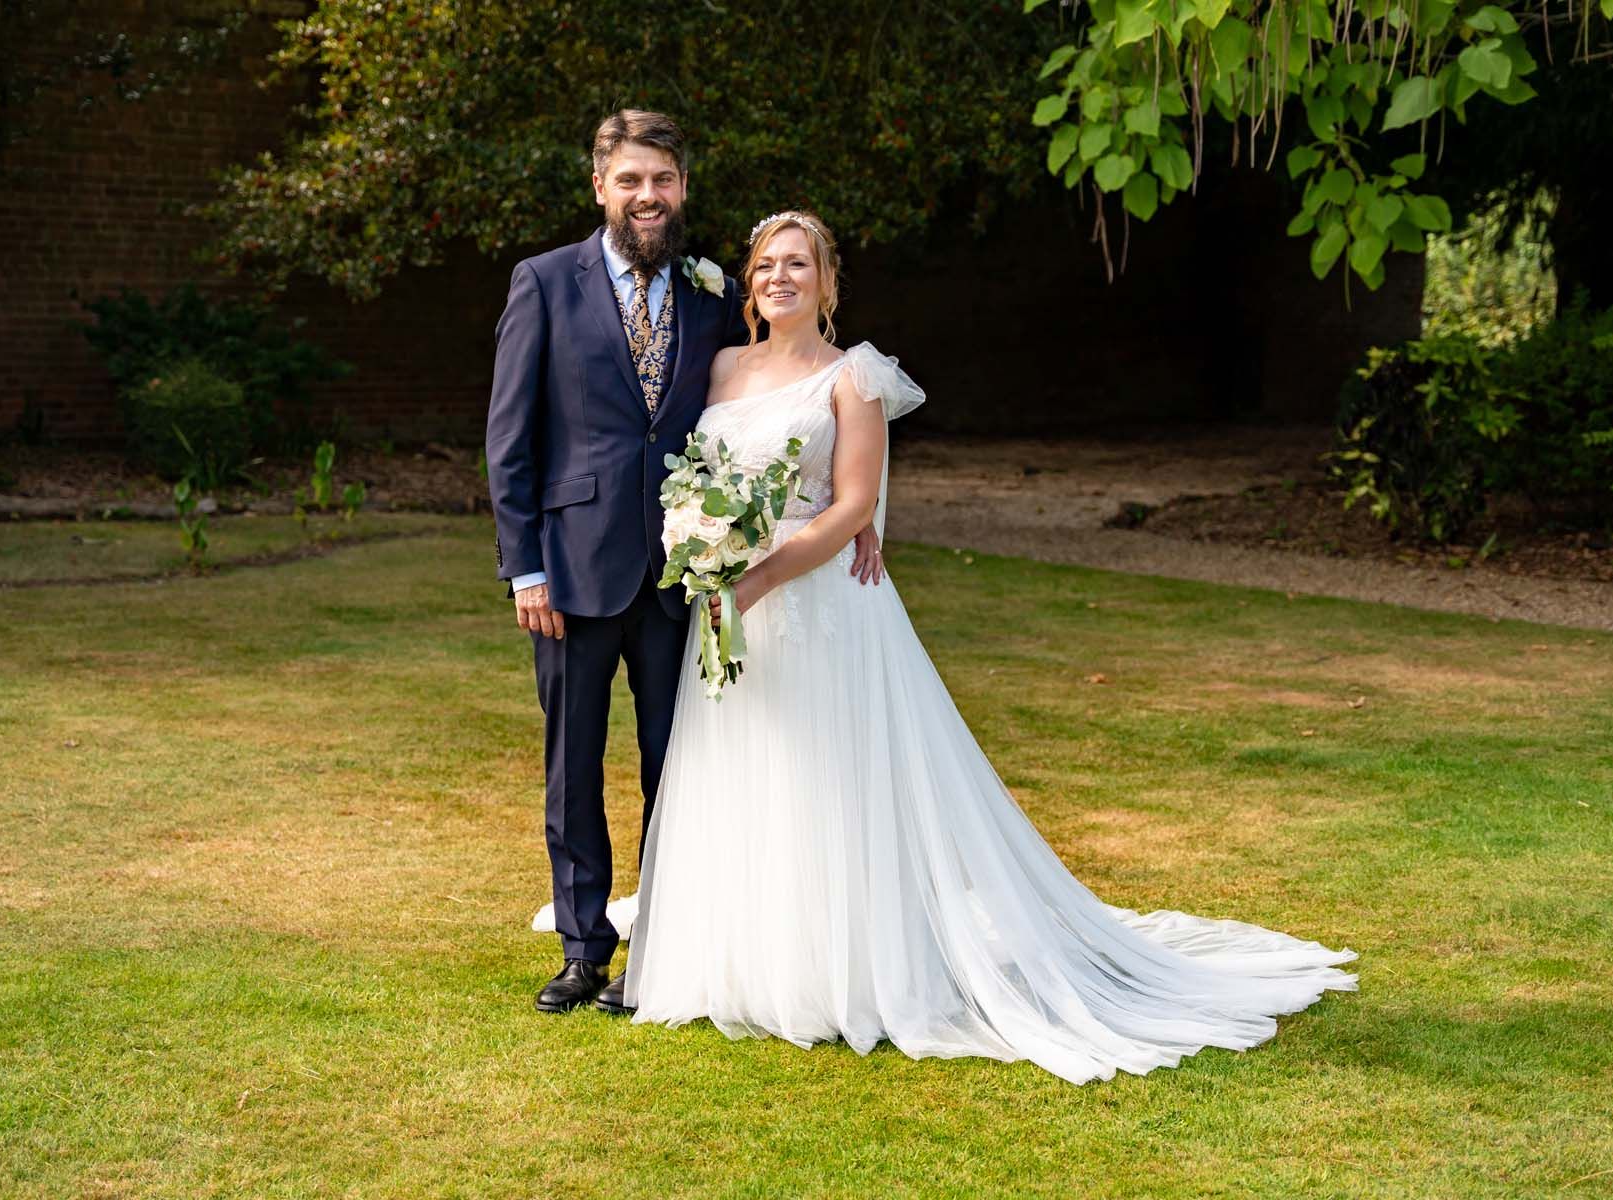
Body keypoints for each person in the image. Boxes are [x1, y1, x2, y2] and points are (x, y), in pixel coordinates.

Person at [620, 210, 1359, 1084]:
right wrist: (707, 554)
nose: (780, 277)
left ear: (827, 282)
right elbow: (703, 480)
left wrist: (756, 579)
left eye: (798, 265)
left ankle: (838, 972)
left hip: (811, 601)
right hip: (730, 603)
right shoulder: (721, 367)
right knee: (747, 767)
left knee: (829, 777)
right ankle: (739, 957)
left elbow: (853, 508)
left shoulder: (851, 378)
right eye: (766, 266)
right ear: (749, 283)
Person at [485, 113, 883, 1016]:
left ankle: (668, 944)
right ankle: (585, 949)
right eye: (630, 180)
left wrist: (855, 514)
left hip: (682, 584)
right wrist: (526, 569)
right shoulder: (545, 283)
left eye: (662, 180)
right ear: (601, 187)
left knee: (684, 768)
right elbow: (510, 440)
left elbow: (779, 419)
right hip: (574, 571)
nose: (647, 197)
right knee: (572, 763)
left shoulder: (712, 304)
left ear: (682, 188)